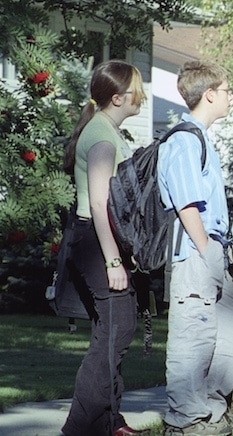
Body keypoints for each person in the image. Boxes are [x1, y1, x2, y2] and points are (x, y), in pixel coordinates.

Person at [157, 61, 233, 436]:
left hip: (211, 251)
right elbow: (186, 204)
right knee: (192, 335)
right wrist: (206, 248)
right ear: (209, 94)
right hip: (195, 252)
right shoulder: (184, 140)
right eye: (226, 91)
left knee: (228, 328)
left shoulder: (202, 139)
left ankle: (210, 409)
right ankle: (185, 419)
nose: (230, 97)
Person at [61, 60, 148, 436]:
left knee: (111, 333)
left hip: (99, 241)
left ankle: (109, 423)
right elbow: (99, 203)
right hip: (97, 244)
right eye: (136, 91)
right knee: (117, 330)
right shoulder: (100, 135)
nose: (141, 96)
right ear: (117, 98)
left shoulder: (106, 129)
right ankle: (78, 429)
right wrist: (114, 261)